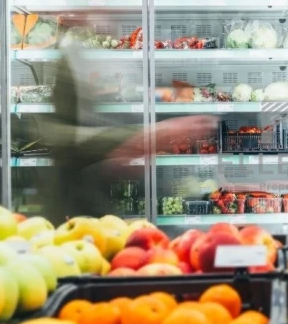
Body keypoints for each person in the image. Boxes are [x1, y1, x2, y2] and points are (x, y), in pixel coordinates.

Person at [35, 46, 217, 224]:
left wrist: (125, 152)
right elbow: (61, 138)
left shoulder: (87, 58)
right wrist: (140, 138)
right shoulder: (69, 57)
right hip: (71, 207)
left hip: (98, 208)